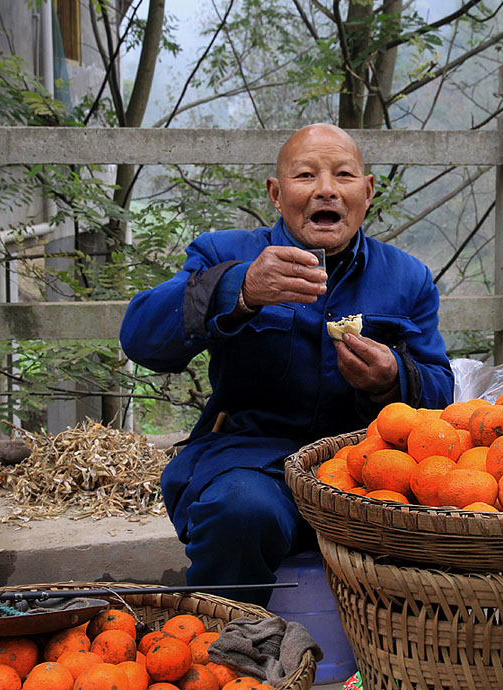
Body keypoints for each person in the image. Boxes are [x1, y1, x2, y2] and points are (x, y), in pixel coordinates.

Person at [119, 123, 454, 606]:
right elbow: (141, 339)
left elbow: (443, 396)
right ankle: (226, 651)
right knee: (240, 511)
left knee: (440, 516)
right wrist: (241, 289)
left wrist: (392, 379)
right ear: (276, 194)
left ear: (367, 191)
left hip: (366, 465)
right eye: (305, 175)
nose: (326, 189)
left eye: (343, 175)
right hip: (252, 459)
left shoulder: (407, 278)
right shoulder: (225, 253)